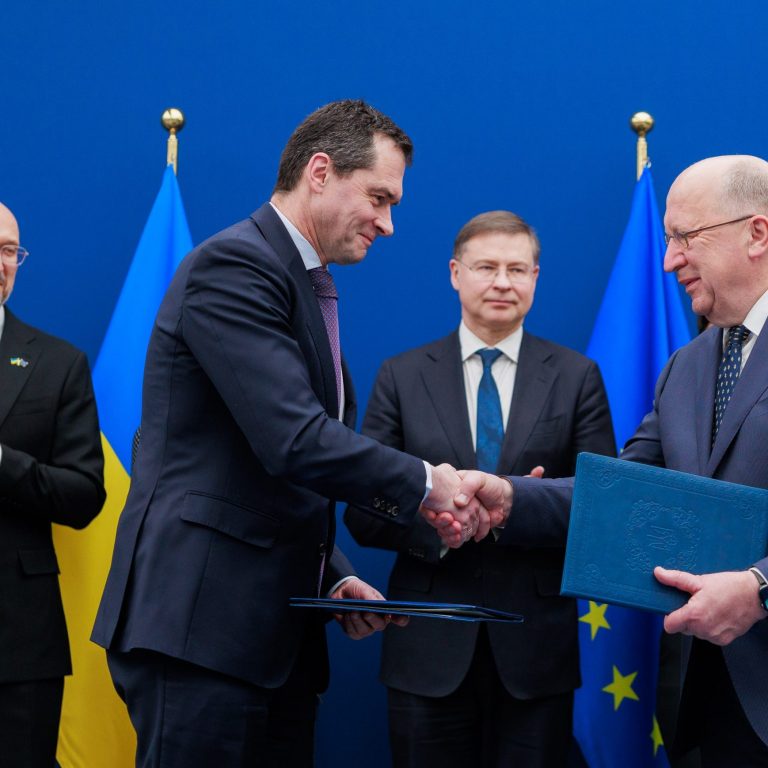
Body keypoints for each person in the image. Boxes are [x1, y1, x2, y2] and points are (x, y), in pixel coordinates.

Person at [91, 100, 487, 768]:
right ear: (322, 171)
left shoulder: (303, 286)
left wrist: (331, 576)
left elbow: (262, 468)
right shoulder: (235, 269)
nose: (388, 224)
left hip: (271, 640)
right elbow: (294, 441)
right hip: (201, 635)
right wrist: (428, 482)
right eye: (380, 198)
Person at [448, 156, 768, 767]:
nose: (670, 259)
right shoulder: (686, 367)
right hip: (704, 707)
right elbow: (625, 492)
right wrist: (510, 497)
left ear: (757, 233)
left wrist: (761, 587)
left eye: (685, 237)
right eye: (668, 238)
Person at [344, 210, 615, 768]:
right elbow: (362, 509)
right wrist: (442, 525)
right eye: (486, 267)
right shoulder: (402, 375)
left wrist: (525, 505)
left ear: (536, 277)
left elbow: (604, 509)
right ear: (454, 273)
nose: (502, 282)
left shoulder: (576, 376)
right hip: (427, 647)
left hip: (535, 653)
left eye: (518, 269)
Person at [0, 202, 105, 768]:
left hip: (16, 646)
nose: (2, 262)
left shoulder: (56, 364)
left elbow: (85, 494)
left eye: (9, 249)